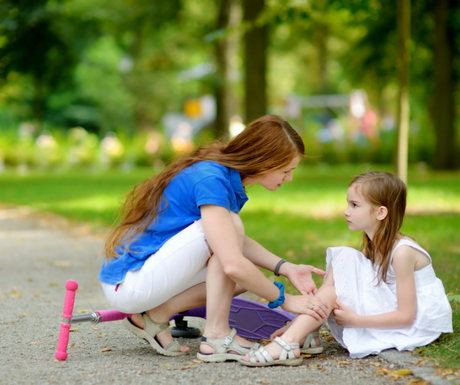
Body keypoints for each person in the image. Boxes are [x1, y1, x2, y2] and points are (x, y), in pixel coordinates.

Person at [98, 115, 329, 362]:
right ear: (264, 161)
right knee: (236, 257)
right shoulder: (212, 179)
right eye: (286, 170)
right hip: (130, 282)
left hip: (140, 277)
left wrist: (286, 267)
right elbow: (230, 256)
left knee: (245, 277)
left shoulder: (222, 174)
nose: (289, 178)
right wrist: (286, 301)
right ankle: (216, 337)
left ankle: (154, 315)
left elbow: (230, 242)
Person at [241, 171, 453, 367]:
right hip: (390, 303)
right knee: (345, 257)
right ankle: (305, 332)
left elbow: (407, 316)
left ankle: (290, 341)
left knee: (342, 268)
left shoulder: (401, 252)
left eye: (354, 205)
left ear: (380, 212)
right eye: (348, 204)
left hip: (416, 322)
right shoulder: (375, 244)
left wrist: (356, 321)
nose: (346, 211)